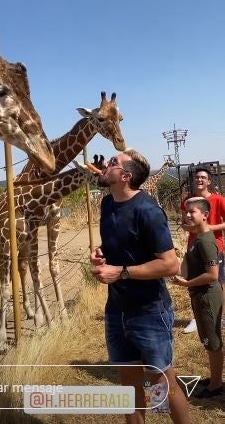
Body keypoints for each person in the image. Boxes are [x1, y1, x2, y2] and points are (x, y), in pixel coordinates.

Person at [90, 150, 191, 424]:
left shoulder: (148, 210)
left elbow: (171, 265)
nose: (106, 165)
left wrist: (120, 272)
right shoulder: (108, 204)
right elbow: (121, 246)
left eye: (113, 163)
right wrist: (102, 254)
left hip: (149, 311)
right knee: (129, 384)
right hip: (116, 310)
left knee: (163, 383)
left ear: (125, 176)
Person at [173, 197, 223, 398]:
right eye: (185, 211)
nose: (187, 215)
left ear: (205, 215)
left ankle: (216, 385)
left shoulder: (206, 241)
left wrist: (186, 283)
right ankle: (215, 378)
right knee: (208, 339)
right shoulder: (197, 238)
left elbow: (212, 275)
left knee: (213, 341)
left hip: (207, 296)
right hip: (200, 294)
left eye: (192, 212)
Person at [181, 167, 225, 333]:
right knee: (195, 284)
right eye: (197, 177)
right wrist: (194, 228)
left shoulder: (219, 200)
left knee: (218, 283)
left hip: (215, 247)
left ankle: (220, 317)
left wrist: (209, 227)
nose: (199, 180)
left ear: (209, 181)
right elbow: (184, 223)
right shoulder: (188, 200)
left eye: (203, 177)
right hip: (193, 248)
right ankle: (196, 317)